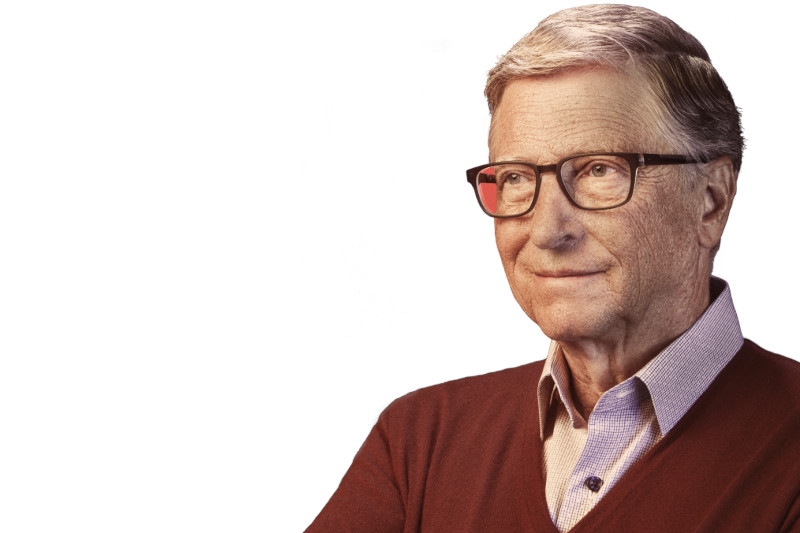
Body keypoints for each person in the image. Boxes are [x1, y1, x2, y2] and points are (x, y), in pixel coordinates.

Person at [305, 4, 800, 532]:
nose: (546, 230)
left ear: (710, 200)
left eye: (598, 170)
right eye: (516, 178)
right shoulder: (419, 441)